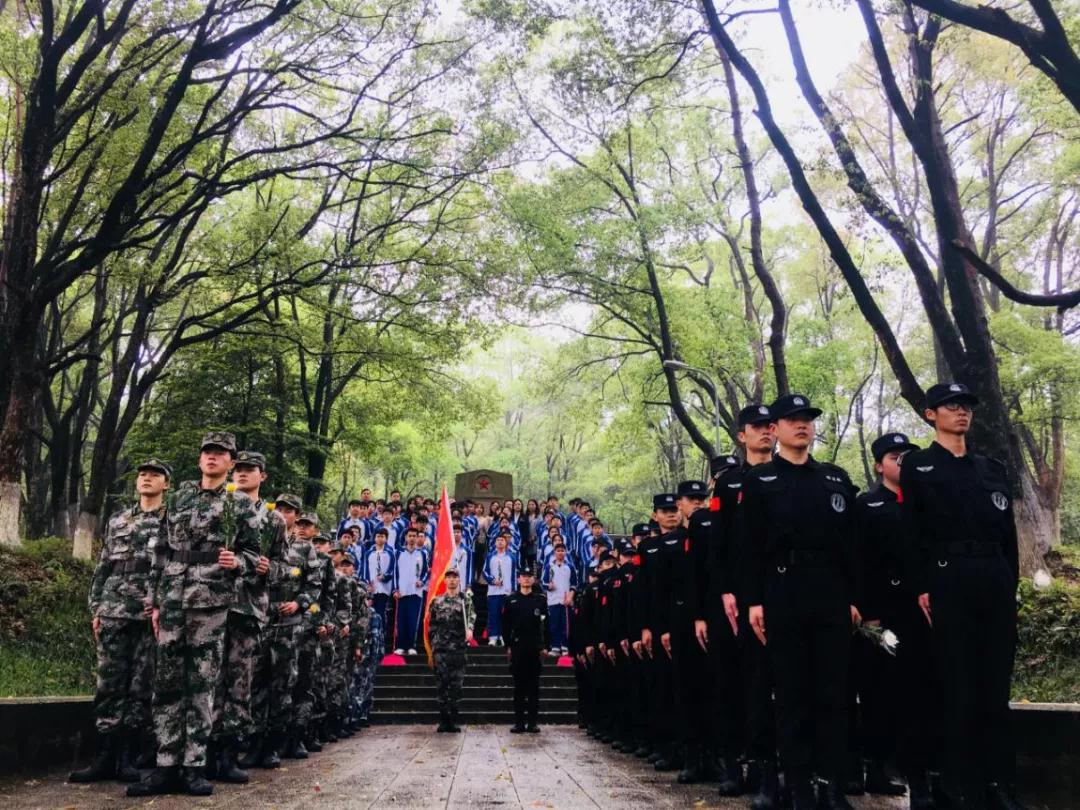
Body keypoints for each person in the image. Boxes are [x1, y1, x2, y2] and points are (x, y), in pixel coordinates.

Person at [899, 383, 1024, 810]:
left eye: (966, 406)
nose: (961, 412)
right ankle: (961, 788)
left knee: (995, 687)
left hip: (994, 579)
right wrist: (922, 586)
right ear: (931, 414)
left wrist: (1012, 585)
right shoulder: (919, 466)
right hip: (949, 579)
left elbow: (1008, 536)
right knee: (959, 687)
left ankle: (998, 787)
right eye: (951, 406)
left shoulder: (990, 468)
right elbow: (912, 535)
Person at [742, 395, 859, 810]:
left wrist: (852, 598)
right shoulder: (760, 482)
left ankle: (832, 785)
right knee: (791, 694)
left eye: (808, 418)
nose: (802, 425)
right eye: (793, 420)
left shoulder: (834, 479)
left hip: (830, 591)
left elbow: (851, 547)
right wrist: (754, 601)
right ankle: (798, 785)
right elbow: (749, 548)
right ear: (775, 428)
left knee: (833, 692)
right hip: (783, 589)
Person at [128, 432, 261, 798]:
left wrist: (239, 562)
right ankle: (165, 765)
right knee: (166, 685)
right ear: (200, 458)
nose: (212, 458)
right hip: (172, 600)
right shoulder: (181, 496)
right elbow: (161, 550)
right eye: (207, 452)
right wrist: (153, 602)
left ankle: (193, 765)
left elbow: (255, 556)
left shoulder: (240, 506)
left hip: (210, 602)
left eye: (220, 453)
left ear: (231, 462)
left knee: (201, 686)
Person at [71, 459, 169, 785]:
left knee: (140, 687)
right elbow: (103, 565)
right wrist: (96, 607)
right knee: (109, 685)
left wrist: (162, 606)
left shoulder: (172, 522)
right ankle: (105, 755)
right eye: (143, 474)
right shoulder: (119, 520)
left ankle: (128, 754)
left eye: (154, 475)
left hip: (145, 614)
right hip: (113, 610)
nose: (146, 479)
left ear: (165, 484)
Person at [852, 432, 926, 802]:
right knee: (880, 688)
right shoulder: (866, 506)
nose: (902, 462)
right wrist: (866, 615)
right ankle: (876, 766)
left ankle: (919, 770)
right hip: (879, 616)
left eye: (908, 456)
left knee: (919, 688)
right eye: (895, 456)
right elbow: (857, 561)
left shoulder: (923, 502)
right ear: (880, 464)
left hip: (919, 610)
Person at [209, 450, 280, 784]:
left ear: (262, 475)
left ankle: (229, 751)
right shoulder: (218, 507)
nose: (242, 474)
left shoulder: (274, 520)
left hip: (248, 607)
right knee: (208, 678)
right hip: (211, 604)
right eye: (238, 469)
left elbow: (286, 567)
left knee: (239, 681)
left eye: (250, 470)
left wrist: (271, 569)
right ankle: (204, 749)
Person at [244, 492, 320, 769]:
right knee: (255, 685)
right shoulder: (261, 541)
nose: (284, 515)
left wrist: (299, 603)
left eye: (290, 512)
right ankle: (254, 744)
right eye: (281, 509)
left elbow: (314, 586)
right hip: (261, 620)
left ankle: (274, 746)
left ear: (296, 516)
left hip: (289, 627)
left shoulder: (304, 549)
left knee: (283, 686)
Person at [426, 567, 476, 732]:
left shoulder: (465, 601)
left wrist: (469, 629)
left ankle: (453, 720)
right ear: (445, 580)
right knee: (442, 685)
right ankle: (443, 720)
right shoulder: (437, 601)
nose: (452, 580)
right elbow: (431, 626)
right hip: (441, 650)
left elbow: (471, 618)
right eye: (449, 577)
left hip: (458, 650)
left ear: (459, 580)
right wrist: (434, 646)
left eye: (455, 577)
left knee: (456, 687)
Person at [502, 564, 549, 733]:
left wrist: (545, 646)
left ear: (534, 579)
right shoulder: (511, 600)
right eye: (523, 576)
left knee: (534, 686)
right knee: (519, 687)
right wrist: (507, 645)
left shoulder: (540, 600)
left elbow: (546, 624)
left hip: (535, 647)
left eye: (529, 576)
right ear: (518, 579)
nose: (527, 578)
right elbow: (505, 625)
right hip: (517, 647)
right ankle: (519, 722)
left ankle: (532, 722)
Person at [393, 529, 428, 655]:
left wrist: (422, 582)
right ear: (406, 538)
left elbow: (425, 572)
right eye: (410, 536)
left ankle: (411, 645)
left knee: (413, 620)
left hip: (416, 592)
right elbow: (395, 572)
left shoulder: (422, 553)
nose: (412, 538)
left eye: (415, 535)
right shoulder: (398, 553)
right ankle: (400, 645)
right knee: (401, 620)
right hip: (402, 592)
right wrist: (395, 589)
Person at [540, 543, 577, 654]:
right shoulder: (549, 566)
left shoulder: (570, 567)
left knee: (565, 624)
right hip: (553, 600)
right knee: (554, 624)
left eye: (562, 550)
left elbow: (574, 585)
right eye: (558, 550)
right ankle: (555, 646)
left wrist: (570, 597)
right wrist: (548, 586)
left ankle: (565, 646)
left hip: (565, 600)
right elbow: (543, 583)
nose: (560, 552)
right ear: (554, 553)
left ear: (565, 552)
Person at [484, 532, 516, 646]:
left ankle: (503, 636)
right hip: (493, 591)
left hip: (507, 591)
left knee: (505, 615)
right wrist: (493, 580)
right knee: (493, 614)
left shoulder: (511, 557)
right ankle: (493, 637)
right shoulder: (490, 556)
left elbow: (514, 575)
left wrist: (513, 590)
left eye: (502, 540)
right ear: (495, 542)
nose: (500, 542)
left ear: (506, 542)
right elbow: (485, 572)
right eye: (498, 540)